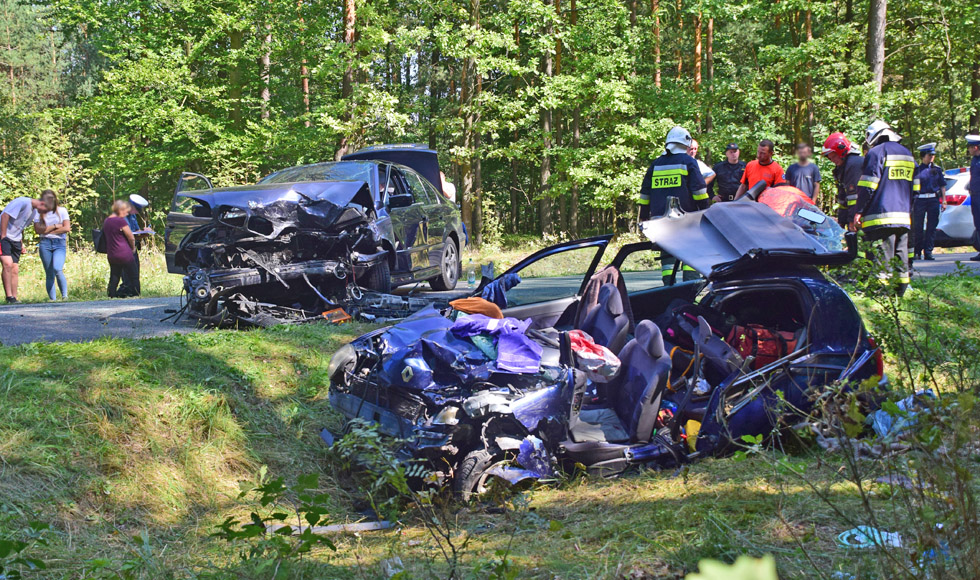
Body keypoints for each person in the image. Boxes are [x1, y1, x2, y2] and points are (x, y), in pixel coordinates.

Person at [639, 126, 707, 285]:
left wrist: (643, 216)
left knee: (667, 260)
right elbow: (699, 192)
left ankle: (668, 290)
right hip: (686, 221)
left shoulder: (656, 164)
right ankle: (690, 289)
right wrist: (705, 211)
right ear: (686, 143)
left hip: (660, 222)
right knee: (691, 255)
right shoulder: (688, 162)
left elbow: (645, 194)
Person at [854, 120, 915, 295]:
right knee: (901, 254)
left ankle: (879, 292)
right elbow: (916, 187)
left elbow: (868, 186)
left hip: (881, 216)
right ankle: (900, 290)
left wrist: (859, 211)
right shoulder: (907, 154)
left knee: (882, 255)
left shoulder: (876, 153)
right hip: (904, 215)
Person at [1, 194, 52, 303]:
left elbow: (21, 226)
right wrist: (3, 236)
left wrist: (21, 242)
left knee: (15, 268)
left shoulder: (33, 211)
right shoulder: (22, 202)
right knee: (7, 264)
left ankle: (14, 298)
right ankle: (9, 296)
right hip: (4, 235)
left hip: (16, 239)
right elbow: (5, 216)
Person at [910, 143, 946, 262]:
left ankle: (928, 252)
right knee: (918, 227)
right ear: (923, 156)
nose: (931, 157)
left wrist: (944, 200)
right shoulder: (917, 170)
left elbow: (942, 186)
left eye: (933, 155)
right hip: (920, 200)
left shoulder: (937, 170)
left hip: (933, 200)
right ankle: (917, 251)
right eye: (929, 155)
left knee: (932, 227)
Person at [32, 190, 71, 300]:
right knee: (49, 273)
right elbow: (38, 230)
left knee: (57, 268)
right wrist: (55, 226)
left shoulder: (62, 210)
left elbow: (66, 228)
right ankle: (52, 300)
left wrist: (47, 231)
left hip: (59, 243)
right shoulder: (38, 212)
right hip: (45, 244)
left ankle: (65, 296)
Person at [822, 132, 864, 228]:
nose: (833, 160)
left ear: (841, 150)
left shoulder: (854, 164)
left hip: (863, 214)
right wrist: (841, 221)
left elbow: (854, 196)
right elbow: (843, 198)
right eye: (830, 158)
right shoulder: (842, 168)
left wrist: (851, 220)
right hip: (857, 214)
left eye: (834, 156)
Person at [103, 200, 138, 298]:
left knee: (114, 275)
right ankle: (136, 293)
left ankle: (111, 294)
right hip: (124, 253)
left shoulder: (107, 221)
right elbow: (131, 237)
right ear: (120, 210)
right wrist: (133, 248)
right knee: (133, 274)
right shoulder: (120, 221)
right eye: (126, 211)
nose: (127, 213)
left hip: (112, 254)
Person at [123, 194, 149, 296]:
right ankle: (127, 291)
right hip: (124, 246)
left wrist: (145, 232)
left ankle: (135, 292)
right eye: (137, 209)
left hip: (132, 246)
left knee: (135, 270)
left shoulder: (132, 215)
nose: (138, 212)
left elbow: (136, 231)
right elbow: (127, 233)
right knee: (127, 271)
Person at [967, 134, 980, 261]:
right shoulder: (974, 160)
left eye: (970, 147)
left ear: (975, 147)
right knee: (978, 224)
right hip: (975, 196)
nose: (969, 150)